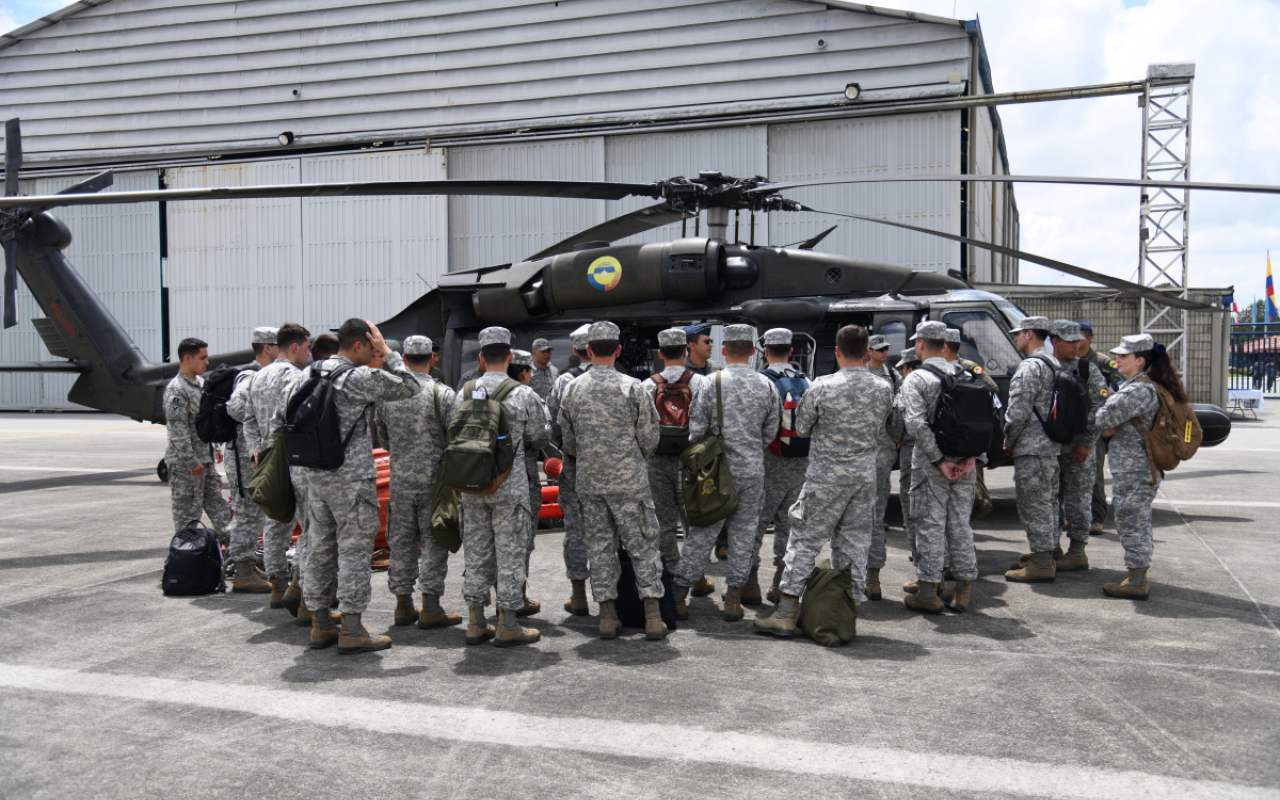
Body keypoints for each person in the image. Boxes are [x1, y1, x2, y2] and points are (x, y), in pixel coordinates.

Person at [288, 318, 422, 653]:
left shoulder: (309, 372)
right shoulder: (357, 377)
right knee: (354, 552)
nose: (375, 352)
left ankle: (320, 624)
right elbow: (410, 386)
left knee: (318, 548)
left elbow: (283, 415)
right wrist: (389, 352)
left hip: (315, 476)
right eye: (372, 346)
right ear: (359, 345)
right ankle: (352, 629)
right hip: (351, 480)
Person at [755, 325, 892, 638]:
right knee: (855, 545)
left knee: (804, 541)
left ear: (839, 352)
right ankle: (842, 614)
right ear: (867, 352)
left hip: (825, 478)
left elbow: (801, 428)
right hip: (864, 478)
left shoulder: (822, 386)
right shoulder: (883, 387)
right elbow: (891, 428)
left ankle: (785, 614)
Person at [558, 321, 669, 641]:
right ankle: (652, 616)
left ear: (589, 350)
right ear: (618, 350)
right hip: (630, 482)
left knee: (600, 548)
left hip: (590, 483)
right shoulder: (634, 387)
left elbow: (569, 442)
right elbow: (650, 438)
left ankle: (607, 616)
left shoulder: (572, 388)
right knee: (643, 546)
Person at [673, 324, 779, 622]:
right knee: (744, 535)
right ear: (753, 351)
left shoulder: (710, 382)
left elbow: (696, 430)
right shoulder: (766, 384)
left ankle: (679, 597)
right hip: (752, 470)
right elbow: (770, 431)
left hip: (715, 471)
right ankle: (733, 599)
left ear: (724, 350)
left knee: (702, 533)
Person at [449, 328, 545, 648]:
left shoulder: (462, 392)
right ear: (508, 358)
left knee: (476, 553)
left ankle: (476, 622)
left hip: (472, 485)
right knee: (510, 554)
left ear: (480, 358)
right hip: (509, 485)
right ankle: (508, 624)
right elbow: (538, 435)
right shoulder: (522, 394)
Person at [374, 335, 463, 631]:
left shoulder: (388, 395)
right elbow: (456, 438)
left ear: (404, 358)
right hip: (434, 482)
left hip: (399, 480)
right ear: (432, 358)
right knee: (435, 540)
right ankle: (431, 606)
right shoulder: (443, 393)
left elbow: (383, 439)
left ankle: (402, 604)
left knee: (400, 541)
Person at [899, 322, 985, 613]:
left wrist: (939, 460)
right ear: (945, 345)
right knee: (960, 523)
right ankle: (962, 591)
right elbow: (982, 420)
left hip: (931, 465)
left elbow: (915, 424)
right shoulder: (966, 374)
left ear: (921, 343)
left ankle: (928, 593)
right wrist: (971, 457)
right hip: (965, 464)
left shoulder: (917, 378)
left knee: (930, 524)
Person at [1095, 334, 1185, 600]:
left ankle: (1136, 582)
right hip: (1140, 469)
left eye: (1123, 356)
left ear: (1140, 360)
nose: (1117, 360)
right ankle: (1137, 577)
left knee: (1132, 522)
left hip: (1136, 470)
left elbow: (1103, 417)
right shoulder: (1149, 387)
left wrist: (1109, 419)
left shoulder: (1138, 390)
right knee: (1136, 521)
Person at [238, 322, 312, 611]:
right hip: (293, 457)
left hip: (269, 456)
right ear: (295, 347)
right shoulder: (297, 376)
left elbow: (245, 417)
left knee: (275, 520)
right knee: (307, 522)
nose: (308, 353)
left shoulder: (257, 376)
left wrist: (258, 449)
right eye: (306, 347)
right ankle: (301, 585)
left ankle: (278, 584)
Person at [641, 328, 708, 575]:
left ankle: (671, 572)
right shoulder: (701, 382)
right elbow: (709, 424)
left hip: (656, 462)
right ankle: (694, 577)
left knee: (664, 522)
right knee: (694, 523)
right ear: (685, 350)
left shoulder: (647, 385)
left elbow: (640, 427)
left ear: (660, 353)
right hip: (692, 462)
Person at [1002, 316, 1062, 584]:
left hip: (1031, 446)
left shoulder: (1030, 367)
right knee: (1048, 502)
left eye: (1017, 334)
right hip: (1050, 446)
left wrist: (1009, 439)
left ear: (1029, 334)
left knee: (1034, 503)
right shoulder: (1054, 363)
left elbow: (1018, 412)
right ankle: (1047, 554)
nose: (1014, 338)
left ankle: (1041, 563)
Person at [754, 327, 810, 605]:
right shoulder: (806, 381)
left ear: (765, 351)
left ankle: (749, 584)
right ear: (790, 351)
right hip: (800, 463)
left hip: (768, 462)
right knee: (789, 527)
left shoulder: (760, 382)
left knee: (755, 523)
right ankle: (779, 584)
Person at [1048, 320, 1109, 573]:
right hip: (1049, 447)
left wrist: (1087, 443)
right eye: (1070, 340)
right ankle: (1049, 549)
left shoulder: (1087, 369)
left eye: (1078, 340)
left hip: (1077, 449)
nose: (1076, 345)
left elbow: (1100, 409)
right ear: (1055, 341)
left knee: (1078, 500)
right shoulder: (1043, 366)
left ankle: (1077, 552)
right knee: (1047, 500)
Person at [222, 326, 277, 594]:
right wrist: (257, 415)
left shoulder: (263, 375)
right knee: (246, 513)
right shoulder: (250, 376)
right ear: (268, 347)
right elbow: (234, 408)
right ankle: (242, 572)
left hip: (251, 456)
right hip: (244, 457)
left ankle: (247, 565)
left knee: (255, 513)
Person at [163, 337, 231, 543]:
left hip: (206, 462)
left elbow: (205, 421)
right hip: (187, 467)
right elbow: (177, 429)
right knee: (188, 521)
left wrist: (214, 446)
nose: (206, 362)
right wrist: (191, 460)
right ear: (187, 358)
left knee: (221, 513)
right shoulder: (176, 389)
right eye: (202, 358)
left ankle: (240, 566)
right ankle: (186, 567)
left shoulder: (201, 385)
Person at [547, 324, 593, 616]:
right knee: (609, 533)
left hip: (575, 467)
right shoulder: (624, 381)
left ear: (576, 351)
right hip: (615, 471)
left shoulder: (565, 381)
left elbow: (553, 425)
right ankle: (609, 599)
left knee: (576, 530)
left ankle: (578, 595)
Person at [509, 349, 551, 616]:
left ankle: (479, 615)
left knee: (485, 541)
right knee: (520, 538)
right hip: (520, 475)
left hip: (478, 477)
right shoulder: (527, 396)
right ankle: (516, 598)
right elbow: (540, 437)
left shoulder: (472, 390)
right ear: (524, 372)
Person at [863, 333, 904, 601]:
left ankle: (873, 577)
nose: (884, 353)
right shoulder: (861, 374)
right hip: (863, 450)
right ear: (868, 352)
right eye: (879, 350)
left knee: (874, 515)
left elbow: (899, 413)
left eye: (885, 349)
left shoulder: (893, 377)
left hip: (880, 453)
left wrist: (895, 440)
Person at [1076, 321, 1123, 533]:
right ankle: (1075, 516)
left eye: (1078, 338)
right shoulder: (1067, 361)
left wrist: (1110, 421)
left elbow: (1121, 390)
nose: (1074, 343)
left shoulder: (1102, 363)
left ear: (1089, 339)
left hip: (1095, 426)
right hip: (1072, 425)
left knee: (1094, 474)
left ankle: (1097, 518)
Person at [895, 346, 923, 592]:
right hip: (948, 455)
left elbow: (898, 423)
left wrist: (897, 438)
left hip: (913, 451)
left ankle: (921, 560)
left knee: (912, 507)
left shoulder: (910, 385)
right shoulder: (948, 376)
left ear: (910, 368)